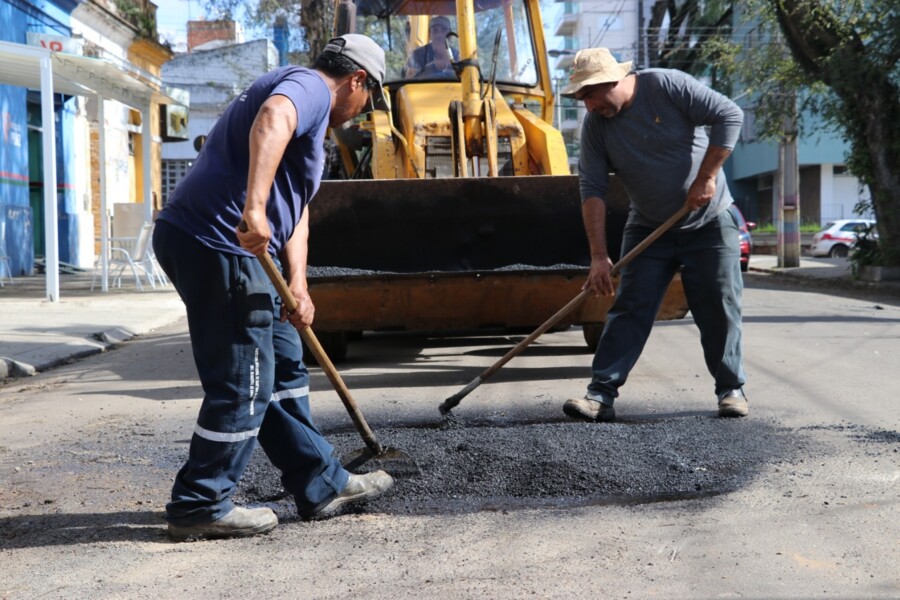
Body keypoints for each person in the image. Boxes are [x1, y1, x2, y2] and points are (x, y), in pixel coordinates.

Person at [152, 34, 394, 542]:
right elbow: (273, 119)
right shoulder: (307, 88)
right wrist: (255, 208)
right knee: (245, 378)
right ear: (356, 80)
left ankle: (319, 480)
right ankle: (200, 501)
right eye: (369, 95)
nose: (364, 107)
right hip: (219, 242)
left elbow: (298, 210)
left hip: (238, 248)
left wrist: (299, 284)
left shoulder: (314, 118)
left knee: (283, 362)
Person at [559, 47, 747, 423]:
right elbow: (591, 189)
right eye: (581, 99)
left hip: (709, 221)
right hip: (649, 226)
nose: (588, 106)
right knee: (629, 308)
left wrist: (706, 177)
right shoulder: (596, 127)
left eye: (590, 95)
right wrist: (598, 256)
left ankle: (730, 389)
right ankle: (600, 395)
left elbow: (729, 113)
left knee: (718, 306)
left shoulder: (667, 86)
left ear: (610, 81)